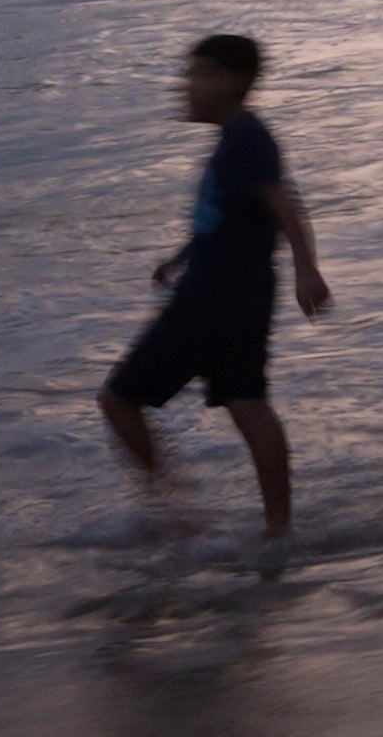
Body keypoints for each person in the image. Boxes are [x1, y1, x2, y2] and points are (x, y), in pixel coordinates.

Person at [100, 31, 331, 539]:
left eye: (196, 74)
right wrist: (180, 257)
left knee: (117, 399)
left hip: (216, 297)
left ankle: (173, 511)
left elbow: (284, 205)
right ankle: (278, 529)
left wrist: (307, 270)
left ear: (230, 82)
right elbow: (229, 217)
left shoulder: (247, 140)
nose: (184, 86)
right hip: (235, 291)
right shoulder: (236, 140)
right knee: (247, 402)